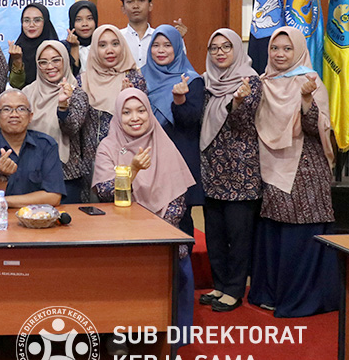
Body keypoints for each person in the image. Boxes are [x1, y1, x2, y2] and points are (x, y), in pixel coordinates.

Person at [248, 27, 339, 317]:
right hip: (270, 167)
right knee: (274, 230)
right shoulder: (263, 82)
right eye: (275, 48)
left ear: (298, 50)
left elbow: (316, 129)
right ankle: (270, 293)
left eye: (287, 49)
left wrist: (306, 101)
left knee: (299, 234)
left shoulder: (310, 81)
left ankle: (298, 297)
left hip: (305, 171)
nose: (280, 54)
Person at [92, 88, 195, 331]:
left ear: (150, 113)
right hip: (120, 234)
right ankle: (119, 335)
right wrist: (134, 170)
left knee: (175, 259)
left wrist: (156, 234)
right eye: (127, 112)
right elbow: (105, 192)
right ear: (118, 116)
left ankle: (168, 338)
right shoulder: (108, 146)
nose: (135, 118)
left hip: (163, 235)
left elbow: (177, 199)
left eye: (141, 111)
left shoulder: (163, 143)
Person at [199, 28, 262, 313]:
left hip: (241, 172)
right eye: (214, 48)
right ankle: (219, 284)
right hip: (212, 169)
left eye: (226, 47)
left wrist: (237, 103)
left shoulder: (250, 81)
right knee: (214, 234)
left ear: (237, 49)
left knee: (238, 236)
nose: (220, 52)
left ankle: (234, 290)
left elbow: (243, 123)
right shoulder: (206, 82)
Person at [142, 24, 204, 237]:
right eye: (156, 45)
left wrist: (179, 100)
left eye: (167, 45)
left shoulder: (191, 80)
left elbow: (190, 121)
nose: (161, 50)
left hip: (180, 158)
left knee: (181, 221)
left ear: (177, 47)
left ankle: (182, 260)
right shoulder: (140, 77)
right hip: (148, 158)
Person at [79, 24, 147, 193]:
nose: (110, 50)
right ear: (94, 49)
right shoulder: (82, 80)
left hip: (126, 157)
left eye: (115, 44)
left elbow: (140, 123)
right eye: (102, 45)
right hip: (90, 160)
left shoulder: (134, 78)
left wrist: (124, 100)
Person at [21, 41, 88, 204]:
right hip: (31, 174)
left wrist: (63, 106)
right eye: (43, 62)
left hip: (65, 176)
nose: (50, 66)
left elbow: (71, 128)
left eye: (56, 60)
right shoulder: (26, 94)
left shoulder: (76, 94)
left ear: (65, 60)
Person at [0, 90, 65, 206]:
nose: (14, 114)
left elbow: (54, 197)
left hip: (38, 215)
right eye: (7, 109)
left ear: (30, 116)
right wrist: (1, 176)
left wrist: (3, 201)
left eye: (21, 109)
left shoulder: (47, 145)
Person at [8, 2, 63, 89]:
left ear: (45, 22)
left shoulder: (56, 48)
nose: (31, 25)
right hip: (27, 96)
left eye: (37, 20)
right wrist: (17, 60)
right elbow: (16, 85)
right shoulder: (18, 49)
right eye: (26, 20)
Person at [66, 0, 98, 74]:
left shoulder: (103, 45)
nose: (84, 24)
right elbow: (70, 75)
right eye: (78, 20)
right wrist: (74, 48)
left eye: (89, 18)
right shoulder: (64, 48)